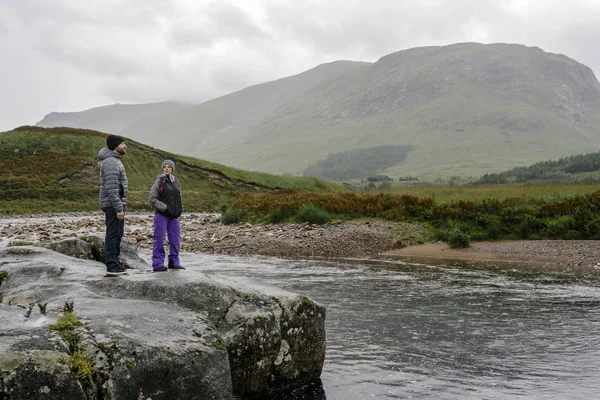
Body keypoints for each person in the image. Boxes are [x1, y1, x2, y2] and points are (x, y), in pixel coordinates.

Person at [98, 135, 129, 276]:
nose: (125, 146)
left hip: (116, 204)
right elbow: (111, 188)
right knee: (113, 234)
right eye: (123, 143)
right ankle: (111, 264)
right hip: (113, 205)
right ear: (116, 145)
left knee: (118, 234)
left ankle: (115, 262)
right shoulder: (111, 162)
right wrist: (118, 208)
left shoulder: (114, 160)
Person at [149, 160, 184, 272]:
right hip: (161, 215)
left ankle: (174, 263)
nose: (167, 168)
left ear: (172, 169)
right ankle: (158, 264)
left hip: (174, 217)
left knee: (175, 240)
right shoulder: (159, 181)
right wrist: (165, 207)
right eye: (165, 167)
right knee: (159, 239)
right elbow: (152, 199)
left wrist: (179, 209)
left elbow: (179, 197)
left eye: (169, 167)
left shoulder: (176, 182)